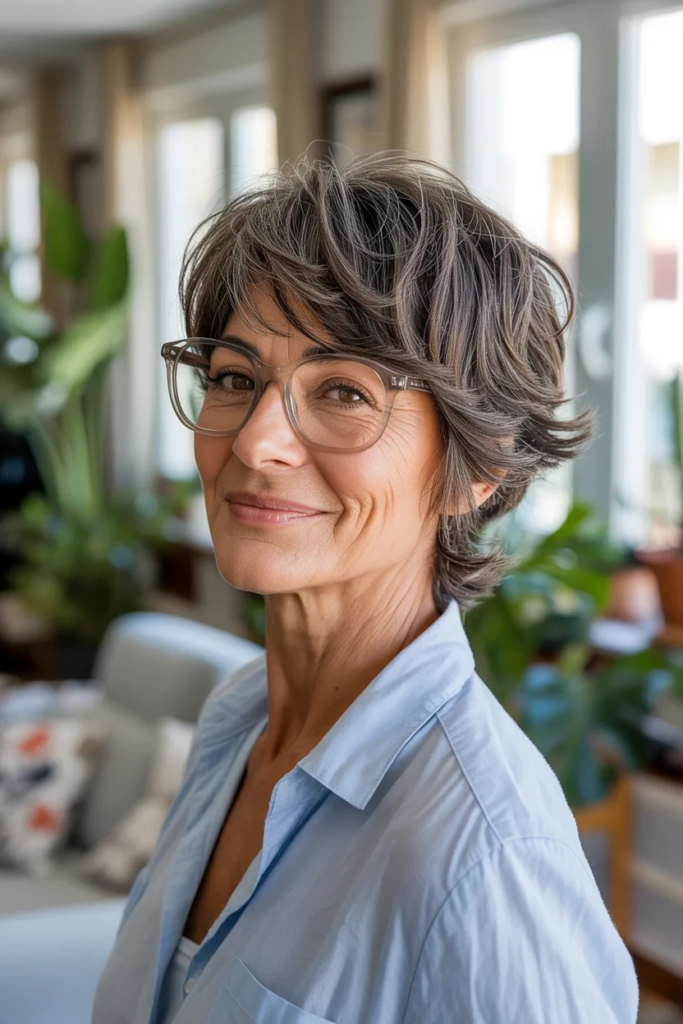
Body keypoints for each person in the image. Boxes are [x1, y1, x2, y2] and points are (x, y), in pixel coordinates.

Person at [93, 155, 638, 1023]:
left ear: (477, 468)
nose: (255, 441)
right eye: (234, 377)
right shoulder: (236, 722)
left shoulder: (485, 855)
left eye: (343, 392)